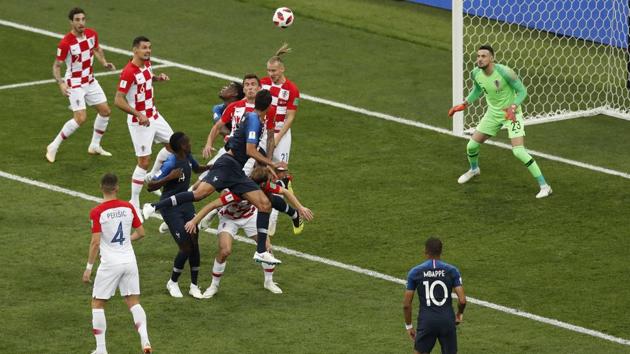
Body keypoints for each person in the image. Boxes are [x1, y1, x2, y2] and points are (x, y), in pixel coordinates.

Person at [143, 90, 286, 265]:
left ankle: (261, 252)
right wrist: (270, 163)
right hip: (228, 165)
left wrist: (265, 165)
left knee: (264, 204)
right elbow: (250, 150)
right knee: (199, 194)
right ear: (269, 106)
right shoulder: (255, 121)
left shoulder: (252, 117)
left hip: (236, 170)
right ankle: (154, 206)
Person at [183, 166, 314, 297]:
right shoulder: (236, 191)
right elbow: (211, 204)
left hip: (249, 216)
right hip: (229, 219)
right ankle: (214, 286)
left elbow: (285, 191)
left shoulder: (264, 186)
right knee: (225, 251)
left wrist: (301, 208)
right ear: (260, 182)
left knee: (267, 247)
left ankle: (269, 282)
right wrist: (194, 221)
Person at [448, 44, 552, 199]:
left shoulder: (505, 72)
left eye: (484, 56)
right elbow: (477, 90)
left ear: (492, 58)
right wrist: (464, 104)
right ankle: (474, 169)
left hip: (512, 114)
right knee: (472, 145)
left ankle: (545, 186)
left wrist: (513, 107)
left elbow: (523, 91)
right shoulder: (475, 73)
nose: (480, 59)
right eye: (478, 56)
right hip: (493, 114)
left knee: (519, 151)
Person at [83, 173, 151, 354]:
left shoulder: (97, 212)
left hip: (110, 264)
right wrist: (126, 241)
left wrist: (89, 268)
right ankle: (145, 339)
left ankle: (101, 349)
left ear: (101, 188)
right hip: (129, 261)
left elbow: (95, 242)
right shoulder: (128, 207)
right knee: (133, 302)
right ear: (117, 188)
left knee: (97, 303)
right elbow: (142, 232)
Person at [46, 7, 116, 163]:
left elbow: (97, 48)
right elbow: (56, 66)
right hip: (75, 83)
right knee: (80, 118)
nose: (81, 23)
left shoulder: (92, 34)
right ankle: (53, 146)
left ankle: (94, 145)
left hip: (90, 81)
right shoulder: (65, 43)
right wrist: (61, 83)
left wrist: (104, 62)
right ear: (71, 22)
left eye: (83, 19)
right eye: (77, 20)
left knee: (105, 111)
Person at [114, 36, 174, 212]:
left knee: (174, 146)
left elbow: (146, 79)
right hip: (139, 122)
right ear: (135, 50)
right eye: (144, 48)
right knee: (143, 161)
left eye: (149, 47)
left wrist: (157, 79)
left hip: (154, 115)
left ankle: (152, 177)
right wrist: (137, 114)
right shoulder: (128, 71)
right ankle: (134, 200)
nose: (148, 51)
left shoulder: (147, 64)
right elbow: (118, 99)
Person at [146, 132, 209, 298]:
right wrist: (169, 177)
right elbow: (151, 186)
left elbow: (196, 169)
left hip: (185, 204)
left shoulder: (187, 156)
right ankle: (172, 282)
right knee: (185, 246)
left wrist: (214, 167)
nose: (190, 144)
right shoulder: (171, 163)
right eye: (187, 142)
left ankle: (194, 286)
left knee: (194, 241)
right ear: (181, 146)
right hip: (170, 207)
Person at [403, 237, 466, 354]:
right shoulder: (452, 271)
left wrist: (409, 326)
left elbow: (407, 304)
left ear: (425, 251)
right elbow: (462, 300)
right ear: (441, 251)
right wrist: (459, 314)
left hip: (427, 321)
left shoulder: (415, 272)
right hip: (447, 320)